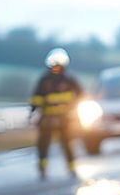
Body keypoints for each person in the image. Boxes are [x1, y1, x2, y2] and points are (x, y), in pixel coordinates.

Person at [30, 48, 82, 179]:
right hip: (46, 118)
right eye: (54, 66)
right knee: (43, 143)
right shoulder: (44, 80)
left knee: (67, 143)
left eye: (58, 66)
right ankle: (42, 166)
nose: (56, 69)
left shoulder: (69, 80)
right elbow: (36, 97)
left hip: (64, 118)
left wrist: (74, 110)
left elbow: (80, 95)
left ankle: (71, 167)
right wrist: (32, 111)